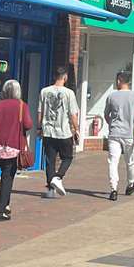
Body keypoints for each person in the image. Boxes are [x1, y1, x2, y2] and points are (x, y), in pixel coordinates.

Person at [0, 80, 32, 222]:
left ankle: (6, 205)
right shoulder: (22, 106)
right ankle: (0, 211)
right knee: (7, 176)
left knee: (7, 175)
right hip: (13, 146)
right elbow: (28, 124)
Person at [37, 66, 79, 198]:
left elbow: (40, 111)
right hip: (64, 132)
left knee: (50, 160)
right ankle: (58, 177)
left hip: (48, 131)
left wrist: (39, 128)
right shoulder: (69, 93)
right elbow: (73, 114)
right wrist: (76, 128)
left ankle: (50, 190)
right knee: (67, 157)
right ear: (65, 77)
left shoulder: (44, 91)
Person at [103, 71, 134, 201]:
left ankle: (113, 189)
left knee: (113, 162)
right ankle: (130, 184)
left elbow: (106, 115)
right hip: (129, 134)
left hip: (114, 134)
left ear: (120, 81)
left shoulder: (111, 97)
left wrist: (111, 124)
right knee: (131, 161)